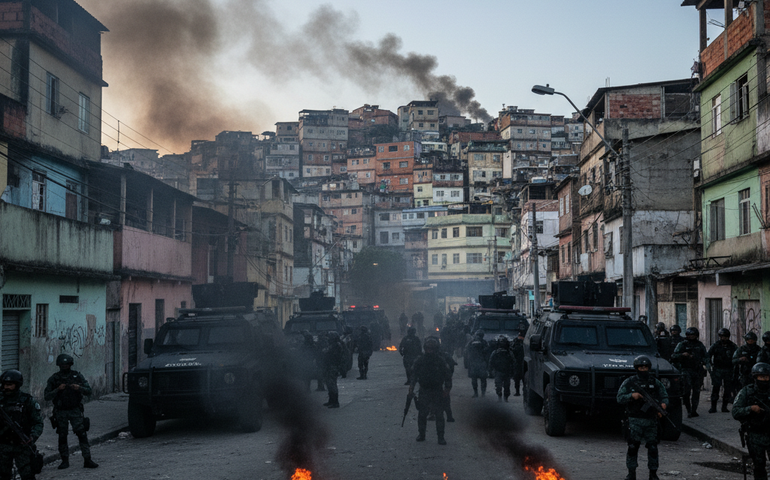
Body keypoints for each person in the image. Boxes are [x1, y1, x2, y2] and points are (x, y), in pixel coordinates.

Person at [616, 356, 668, 480]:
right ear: (637, 368)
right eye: (641, 367)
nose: (643, 369)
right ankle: (631, 473)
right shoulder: (630, 382)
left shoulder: (655, 382)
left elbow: (664, 396)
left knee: (653, 447)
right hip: (634, 420)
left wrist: (663, 405)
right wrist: (632, 396)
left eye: (645, 367)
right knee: (633, 446)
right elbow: (619, 398)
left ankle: (653, 473)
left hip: (651, 420)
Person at [44, 354, 98, 469]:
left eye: (66, 364)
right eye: (62, 365)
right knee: (62, 436)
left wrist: (79, 388)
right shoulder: (54, 379)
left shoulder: (77, 376)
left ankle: (87, 459)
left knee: (82, 434)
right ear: (59, 365)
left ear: (70, 365)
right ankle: (64, 460)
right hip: (61, 411)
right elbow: (47, 396)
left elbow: (89, 391)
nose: (64, 366)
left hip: (75, 410)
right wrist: (58, 389)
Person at [0, 370, 43, 480]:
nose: (7, 387)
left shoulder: (27, 401)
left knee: (27, 475)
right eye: (5, 384)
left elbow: (38, 423)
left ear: (17, 384)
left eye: (10, 385)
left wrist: (32, 437)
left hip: (22, 445)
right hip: (3, 445)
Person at [409, 336, 452, 445]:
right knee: (422, 414)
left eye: (432, 349)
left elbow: (447, 375)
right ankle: (421, 434)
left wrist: (447, 389)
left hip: (437, 390)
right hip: (424, 390)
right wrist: (411, 388)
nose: (430, 351)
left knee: (439, 415)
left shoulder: (440, 361)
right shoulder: (420, 360)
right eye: (428, 349)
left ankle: (441, 437)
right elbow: (414, 374)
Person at [733, 362, 770, 480]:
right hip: (755, 435)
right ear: (755, 377)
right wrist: (750, 409)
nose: (764, 379)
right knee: (759, 466)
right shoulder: (747, 392)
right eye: (761, 377)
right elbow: (736, 412)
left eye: (766, 377)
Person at [671, 327, 707, 418]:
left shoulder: (699, 345)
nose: (691, 337)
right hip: (686, 370)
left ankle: (694, 410)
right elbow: (673, 356)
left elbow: (706, 356)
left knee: (696, 391)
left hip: (697, 370)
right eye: (690, 335)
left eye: (693, 335)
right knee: (686, 391)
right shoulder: (682, 344)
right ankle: (688, 409)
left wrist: (705, 363)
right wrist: (683, 355)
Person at [706, 328, 737, 413]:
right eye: (722, 336)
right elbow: (708, 355)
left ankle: (724, 407)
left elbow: (737, 355)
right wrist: (710, 366)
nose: (724, 338)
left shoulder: (732, 346)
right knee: (716, 388)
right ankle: (713, 407)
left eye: (725, 337)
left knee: (727, 389)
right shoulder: (716, 345)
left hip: (728, 370)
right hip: (717, 370)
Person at [321, 331, 345, 408]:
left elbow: (330, 354)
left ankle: (335, 402)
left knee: (332, 384)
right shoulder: (333, 345)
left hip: (333, 367)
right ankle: (331, 400)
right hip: (329, 366)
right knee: (328, 384)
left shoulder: (336, 346)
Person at [489, 336, 515, 402]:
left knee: (506, 386)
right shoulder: (496, 352)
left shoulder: (509, 352)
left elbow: (513, 362)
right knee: (499, 386)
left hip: (506, 371)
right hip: (499, 371)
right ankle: (500, 397)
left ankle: (505, 398)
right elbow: (491, 361)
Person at [464, 330, 489, 398]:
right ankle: (482, 394)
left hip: (474, 363)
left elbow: (466, 351)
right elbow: (487, 353)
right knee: (482, 379)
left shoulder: (471, 342)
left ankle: (476, 393)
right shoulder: (484, 343)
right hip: (481, 363)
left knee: (474, 379)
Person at [511, 331, 526, 396]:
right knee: (517, 379)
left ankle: (522, 391)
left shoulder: (525, 344)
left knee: (523, 379)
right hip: (518, 363)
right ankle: (518, 391)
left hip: (523, 363)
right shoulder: (516, 343)